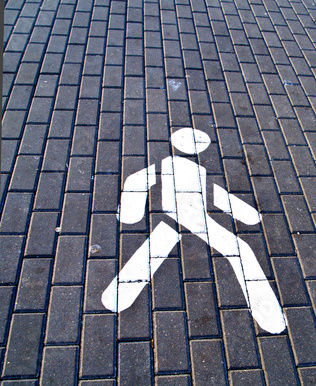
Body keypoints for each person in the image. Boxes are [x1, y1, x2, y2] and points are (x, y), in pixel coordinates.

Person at [102, 127, 286, 334]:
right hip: (187, 218)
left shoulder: (190, 169)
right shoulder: (165, 166)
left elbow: (213, 193)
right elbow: (139, 180)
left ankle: (118, 296)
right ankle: (269, 314)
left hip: (189, 219)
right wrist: (247, 214)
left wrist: (129, 214)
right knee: (239, 251)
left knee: (153, 252)